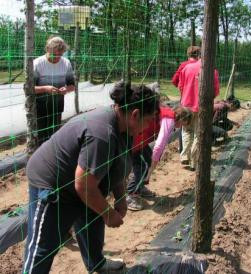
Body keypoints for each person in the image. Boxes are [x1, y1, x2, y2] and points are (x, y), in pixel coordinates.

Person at [22, 82, 160, 274]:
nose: (149, 126)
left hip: (84, 183)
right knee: (44, 246)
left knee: (92, 219)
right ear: (135, 114)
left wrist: (119, 197)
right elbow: (84, 186)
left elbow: (117, 165)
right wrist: (108, 213)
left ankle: (97, 263)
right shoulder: (102, 134)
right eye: (148, 120)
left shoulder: (125, 128)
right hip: (53, 183)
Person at [127, 106, 193, 211]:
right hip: (135, 138)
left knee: (147, 158)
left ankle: (140, 187)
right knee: (143, 165)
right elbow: (159, 145)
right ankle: (131, 194)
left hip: (141, 137)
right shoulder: (169, 120)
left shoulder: (169, 115)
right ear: (181, 118)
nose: (181, 127)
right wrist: (153, 165)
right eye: (183, 124)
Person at [178, 53, 220, 170]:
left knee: (186, 130)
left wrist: (186, 95)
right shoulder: (213, 71)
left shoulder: (187, 68)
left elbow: (180, 86)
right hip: (201, 107)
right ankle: (193, 161)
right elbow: (215, 91)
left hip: (186, 105)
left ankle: (184, 155)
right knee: (198, 134)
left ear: (199, 56)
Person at [33, 36, 75, 146]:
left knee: (55, 136)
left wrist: (66, 89)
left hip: (57, 108)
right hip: (40, 110)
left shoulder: (66, 63)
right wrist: (45, 89)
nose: (57, 58)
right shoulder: (37, 64)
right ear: (47, 49)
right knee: (41, 138)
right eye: (54, 54)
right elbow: (28, 89)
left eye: (60, 55)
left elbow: (72, 86)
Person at [172, 46, 200, 153]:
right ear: (198, 55)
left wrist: (183, 88)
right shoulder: (202, 66)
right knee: (197, 130)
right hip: (198, 103)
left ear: (188, 55)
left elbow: (174, 81)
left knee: (185, 127)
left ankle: (183, 152)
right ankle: (194, 154)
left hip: (185, 100)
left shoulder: (184, 65)